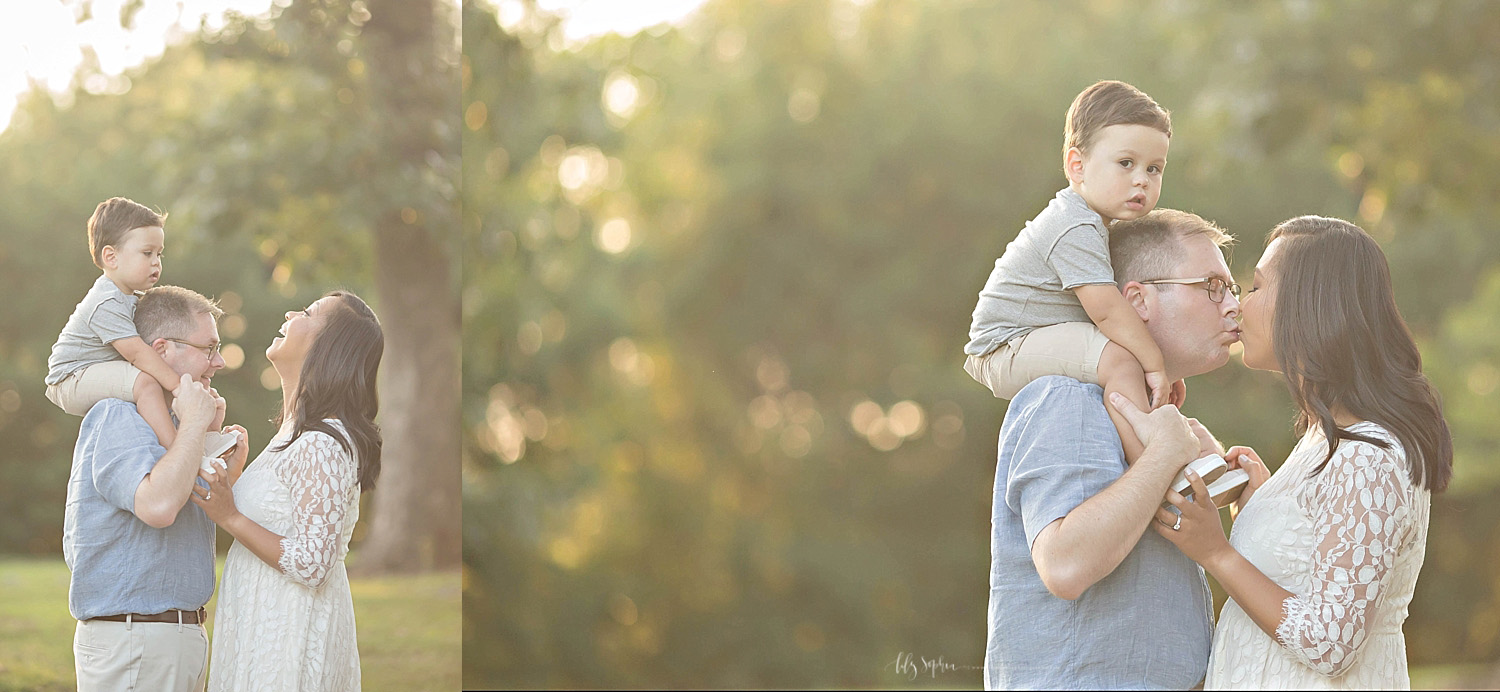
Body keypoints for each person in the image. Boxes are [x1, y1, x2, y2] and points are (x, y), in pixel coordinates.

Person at [1115, 215, 1453, 689]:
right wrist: (1261, 509)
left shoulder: (1368, 456)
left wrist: (1215, 552)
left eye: (1253, 288)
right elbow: (1310, 571)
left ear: (1308, 306)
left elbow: (1330, 642)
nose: (1237, 306)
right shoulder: (1326, 439)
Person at [984, 209, 1244, 690]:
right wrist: (1165, 455)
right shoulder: (1068, 400)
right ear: (1138, 300)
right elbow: (1064, 565)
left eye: (1233, 289)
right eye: (1211, 286)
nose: (1232, 306)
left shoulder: (1150, 418)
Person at [966, 80, 1181, 465]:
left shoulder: (1095, 223)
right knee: (1120, 361)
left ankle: (1151, 440)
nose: (1142, 180)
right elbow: (1107, 312)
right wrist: (1155, 362)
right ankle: (1153, 467)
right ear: (1077, 166)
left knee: (1123, 359)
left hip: (1033, 336)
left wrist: (1160, 365)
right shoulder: (1074, 225)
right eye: (1126, 163)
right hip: (1005, 344)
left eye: (1154, 169)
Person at [193, 290, 384, 691]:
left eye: (309, 312)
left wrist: (231, 515)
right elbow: (280, 522)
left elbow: (314, 563)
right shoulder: (293, 437)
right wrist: (237, 477)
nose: (290, 312)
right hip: (263, 624)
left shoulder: (323, 442)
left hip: (290, 636)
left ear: (327, 347)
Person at [64, 285, 244, 692]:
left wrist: (213, 447)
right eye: (209, 347)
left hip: (174, 639)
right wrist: (196, 426)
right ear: (162, 348)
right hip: (134, 644)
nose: (218, 362)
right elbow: (159, 507)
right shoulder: (118, 415)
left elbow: (186, 515)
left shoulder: (175, 427)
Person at [46, 197, 187, 448]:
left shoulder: (132, 297)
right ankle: (177, 451)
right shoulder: (106, 301)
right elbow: (137, 354)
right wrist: (179, 387)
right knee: (146, 382)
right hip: (70, 377)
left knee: (154, 379)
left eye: (159, 254)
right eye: (147, 253)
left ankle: (181, 437)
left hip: (90, 370)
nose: (156, 261)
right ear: (111, 257)